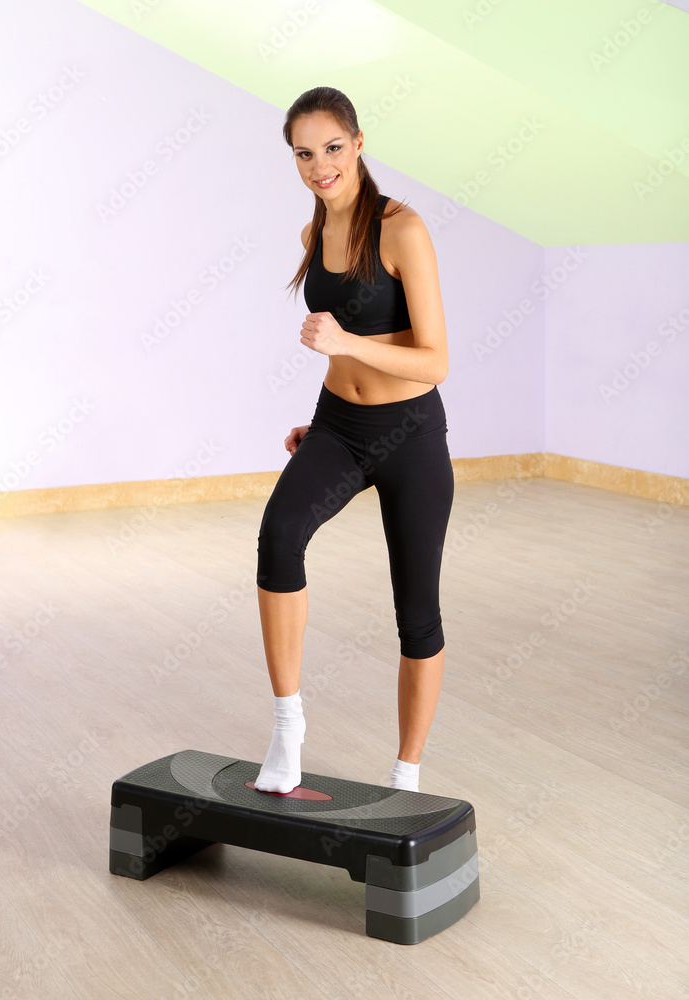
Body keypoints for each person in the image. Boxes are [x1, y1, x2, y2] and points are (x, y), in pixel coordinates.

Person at [254, 86, 454, 795]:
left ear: (359, 144)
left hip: (409, 436)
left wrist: (347, 340)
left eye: (332, 148)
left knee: (417, 611)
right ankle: (287, 725)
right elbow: (346, 353)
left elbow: (435, 360)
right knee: (279, 535)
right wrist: (325, 423)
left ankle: (406, 775)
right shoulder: (314, 237)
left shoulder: (404, 229)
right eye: (304, 154)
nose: (319, 165)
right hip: (338, 425)